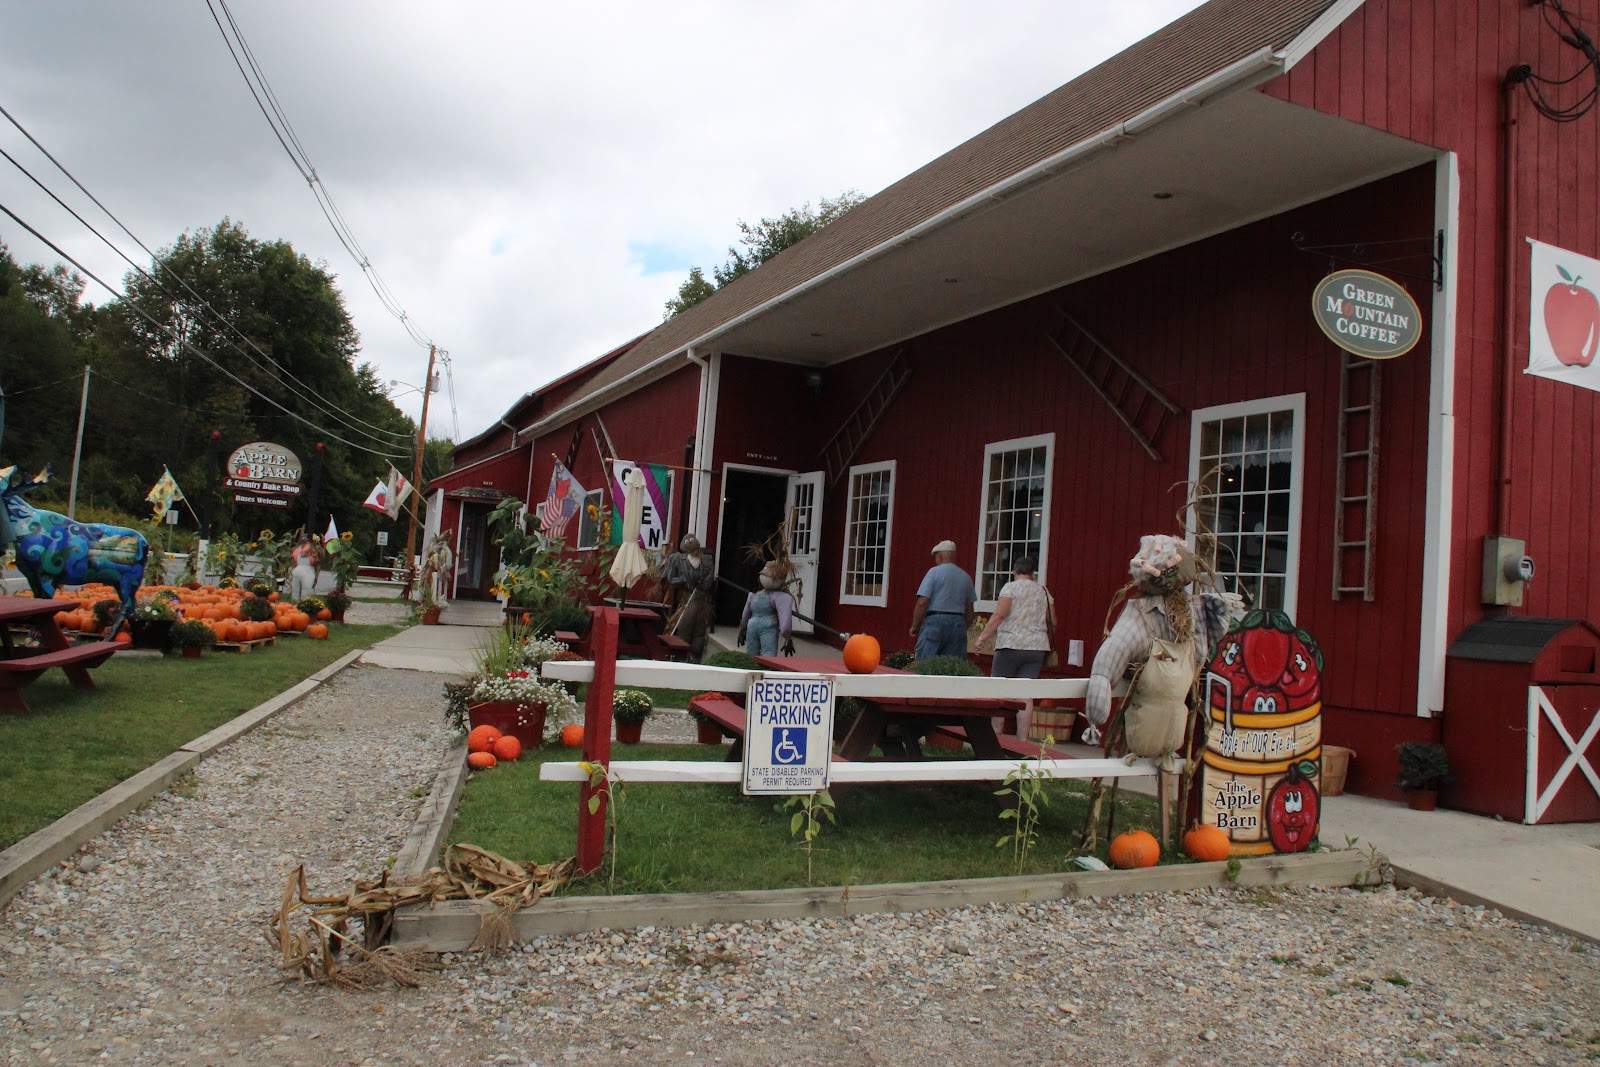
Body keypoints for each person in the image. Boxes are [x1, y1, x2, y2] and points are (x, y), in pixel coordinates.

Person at [974, 555, 1055, 678]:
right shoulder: (1043, 591)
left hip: (1010, 644)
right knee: (1025, 690)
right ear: (1032, 573)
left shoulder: (1010, 588)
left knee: (999, 686)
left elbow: (999, 615)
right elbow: (1052, 621)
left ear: (1014, 571)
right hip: (1037, 647)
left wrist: (981, 638)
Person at [909, 539, 976, 661]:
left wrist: (915, 625)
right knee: (953, 666)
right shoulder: (966, 577)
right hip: (958, 623)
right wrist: (962, 626)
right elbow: (970, 609)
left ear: (939, 556)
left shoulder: (933, 573)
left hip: (935, 621)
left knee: (925, 665)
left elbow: (922, 602)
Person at [659, 534, 717, 660]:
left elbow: (709, 580)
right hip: (686, 598)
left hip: (702, 599)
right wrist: (682, 579)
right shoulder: (678, 560)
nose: (696, 553)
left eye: (696, 550)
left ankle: (696, 656)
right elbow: (670, 578)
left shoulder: (705, 561)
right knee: (684, 625)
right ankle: (681, 655)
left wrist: (703, 583)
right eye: (692, 551)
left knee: (699, 630)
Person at [738, 560, 794, 656]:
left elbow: (745, 615)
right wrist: (787, 636)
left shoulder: (752, 596)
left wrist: (742, 628)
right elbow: (785, 620)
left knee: (751, 654)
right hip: (769, 626)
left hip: (752, 625)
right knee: (768, 654)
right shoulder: (779, 597)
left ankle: (752, 668)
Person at [289, 534, 317, 601]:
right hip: (302, 569)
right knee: (298, 589)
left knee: (304, 589)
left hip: (305, 569)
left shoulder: (313, 549)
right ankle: (298, 602)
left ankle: (303, 602)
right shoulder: (299, 549)